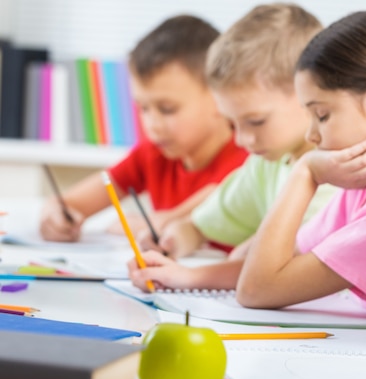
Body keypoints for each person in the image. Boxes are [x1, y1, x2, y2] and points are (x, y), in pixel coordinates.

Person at [233, 11, 366, 312]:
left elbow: (256, 290)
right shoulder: (364, 187)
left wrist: (305, 173)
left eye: (322, 115)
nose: (311, 134)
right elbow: (276, 259)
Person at [128, 3, 338, 290]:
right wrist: (172, 241)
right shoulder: (267, 163)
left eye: (255, 121)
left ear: (309, 92)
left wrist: (189, 277)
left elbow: (274, 266)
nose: (240, 139)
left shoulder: (339, 170)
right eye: (232, 122)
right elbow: (199, 226)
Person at [39, 15, 248, 243]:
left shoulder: (251, 157)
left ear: (219, 97)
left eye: (167, 109)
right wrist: (55, 216)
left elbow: (200, 207)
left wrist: (150, 222)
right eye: (143, 108)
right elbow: (69, 203)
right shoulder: (152, 155)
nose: (152, 124)